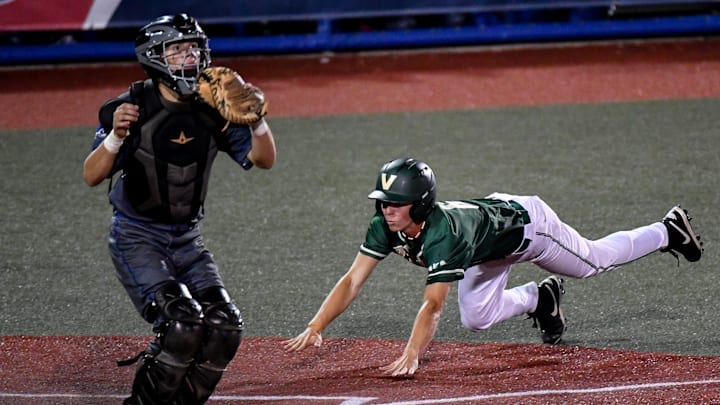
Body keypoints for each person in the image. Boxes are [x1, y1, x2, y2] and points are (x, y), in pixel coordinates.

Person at [284, 157, 702, 376]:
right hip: (487, 247)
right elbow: (353, 279)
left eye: (395, 203)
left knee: (593, 261)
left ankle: (667, 230)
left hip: (527, 227)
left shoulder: (443, 234)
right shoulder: (386, 224)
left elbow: (432, 305)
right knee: (477, 318)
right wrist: (317, 325)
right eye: (383, 202)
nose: (386, 210)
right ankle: (541, 297)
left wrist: (412, 353)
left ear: (422, 204)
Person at [82, 14, 276, 404]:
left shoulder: (212, 107)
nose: (190, 57)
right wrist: (117, 137)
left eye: (195, 48)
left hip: (188, 238)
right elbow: (91, 175)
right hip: (138, 237)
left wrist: (258, 124)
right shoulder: (130, 107)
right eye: (178, 50)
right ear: (154, 57)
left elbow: (265, 160)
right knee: (182, 325)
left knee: (224, 327)